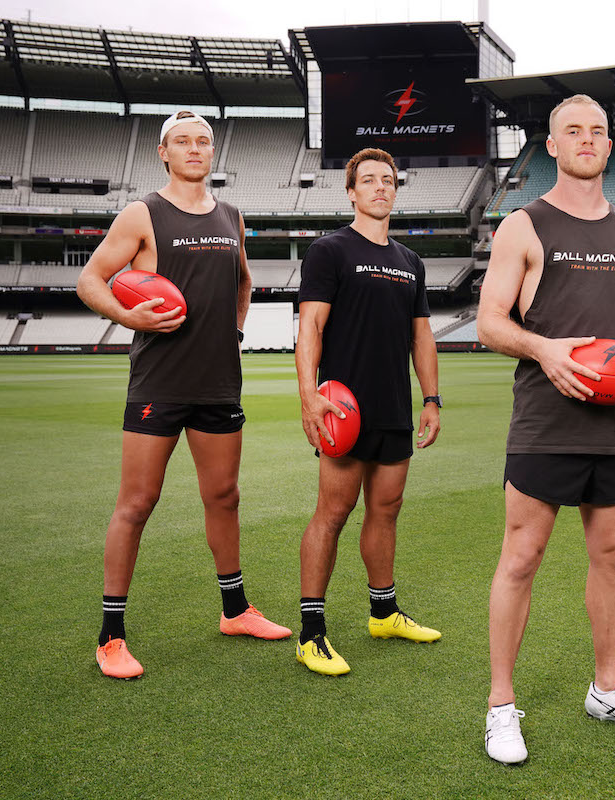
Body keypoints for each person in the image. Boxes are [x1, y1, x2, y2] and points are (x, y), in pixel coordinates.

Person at [477, 94, 615, 765]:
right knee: (522, 557)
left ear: (609, 146)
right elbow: (490, 322)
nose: (586, 140)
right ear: (552, 146)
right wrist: (545, 350)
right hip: (545, 421)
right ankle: (501, 705)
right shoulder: (523, 226)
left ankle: (607, 688)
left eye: (597, 131)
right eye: (572, 131)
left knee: (613, 554)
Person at [77, 109, 290, 680]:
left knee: (224, 495)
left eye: (203, 141)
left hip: (218, 382)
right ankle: (110, 636)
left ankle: (235, 610)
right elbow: (89, 279)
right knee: (137, 503)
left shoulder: (231, 216)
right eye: (182, 141)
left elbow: (244, 281)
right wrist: (130, 317)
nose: (194, 149)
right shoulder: (142, 213)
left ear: (212, 152)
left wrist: (235, 334)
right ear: (163, 152)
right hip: (159, 381)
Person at [293, 147, 442, 677]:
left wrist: (431, 398)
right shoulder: (329, 250)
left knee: (387, 510)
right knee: (332, 514)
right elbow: (310, 327)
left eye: (389, 180)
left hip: (393, 408)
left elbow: (421, 336)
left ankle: (384, 613)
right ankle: (311, 633)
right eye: (370, 180)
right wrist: (308, 395)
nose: (381, 187)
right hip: (343, 409)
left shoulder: (410, 262)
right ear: (352, 192)